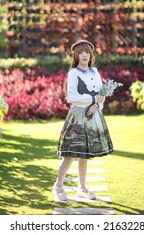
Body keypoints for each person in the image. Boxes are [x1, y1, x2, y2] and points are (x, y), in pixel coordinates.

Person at [52, 40, 113, 201]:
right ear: (76, 55)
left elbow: (102, 95)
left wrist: (97, 107)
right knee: (70, 155)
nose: (84, 55)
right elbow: (73, 97)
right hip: (78, 117)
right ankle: (58, 186)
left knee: (84, 155)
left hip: (93, 116)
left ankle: (82, 188)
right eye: (80, 52)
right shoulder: (73, 73)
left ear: (91, 54)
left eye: (87, 52)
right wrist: (93, 99)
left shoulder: (94, 71)